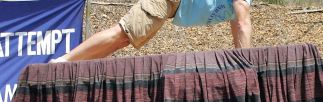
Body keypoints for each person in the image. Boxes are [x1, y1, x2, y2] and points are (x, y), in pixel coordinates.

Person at [53, 0, 252, 62]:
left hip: (174, 6)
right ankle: (63, 62)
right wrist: (246, 68)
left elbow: (237, 24)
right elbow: (243, 23)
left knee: (123, 39)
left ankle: (69, 64)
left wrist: (240, 61)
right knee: (123, 33)